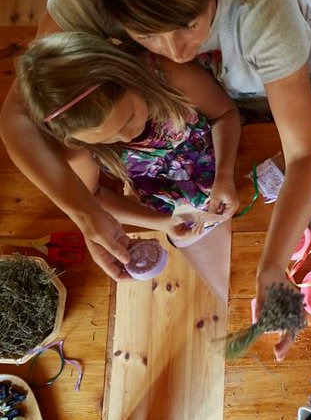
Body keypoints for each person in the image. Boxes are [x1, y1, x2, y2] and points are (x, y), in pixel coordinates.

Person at [0, 0, 311, 303]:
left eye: (189, 24)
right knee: (234, 288)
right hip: (202, 124)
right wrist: (85, 213)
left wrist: (272, 264)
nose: (177, 52)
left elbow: (305, 152)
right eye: (146, 35)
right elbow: (17, 115)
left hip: (282, 95)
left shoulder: (262, 0)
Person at [16, 32, 239, 303]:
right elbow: (93, 197)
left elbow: (224, 114)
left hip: (228, 156)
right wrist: (164, 223)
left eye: (129, 117)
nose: (129, 136)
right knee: (233, 282)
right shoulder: (76, 149)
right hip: (169, 198)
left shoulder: (170, 75)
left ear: (128, 75)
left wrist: (225, 175)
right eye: (107, 139)